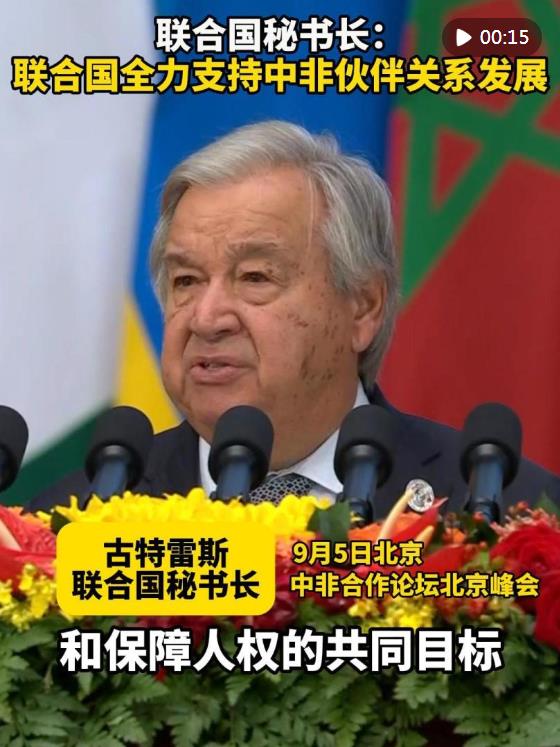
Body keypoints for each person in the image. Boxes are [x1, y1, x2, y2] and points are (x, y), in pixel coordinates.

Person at [29, 120, 560, 515]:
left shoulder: (505, 512)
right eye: (186, 281)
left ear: (363, 306)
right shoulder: (68, 524)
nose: (207, 319)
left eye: (255, 277)